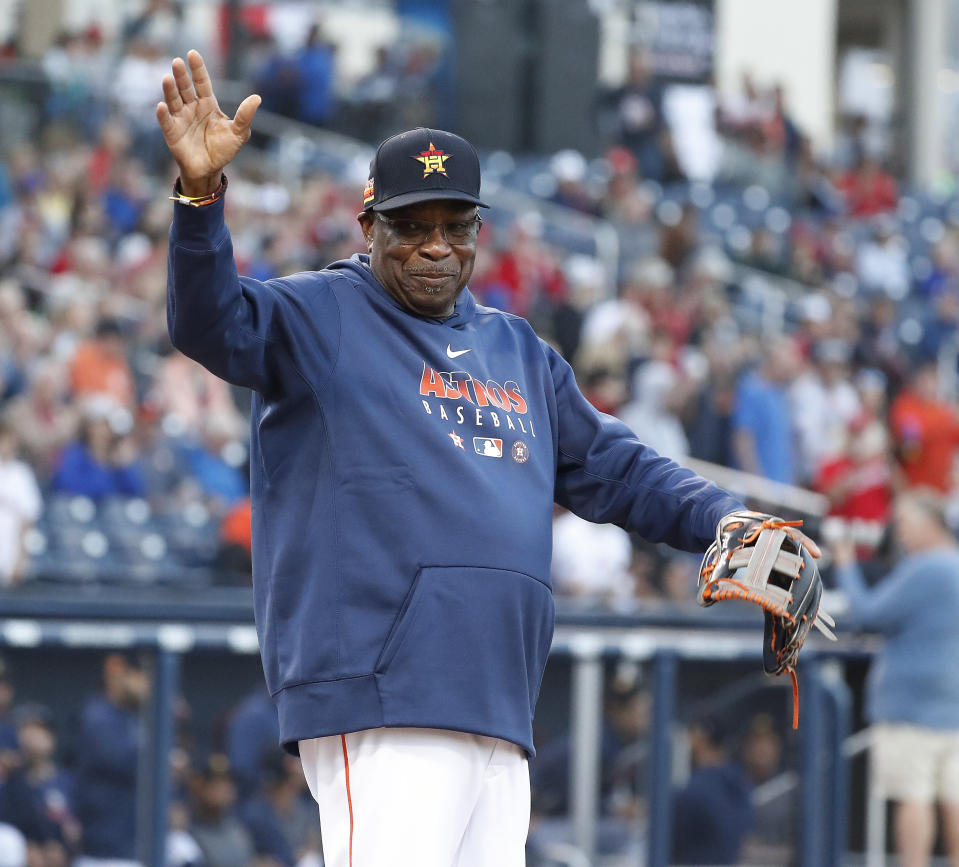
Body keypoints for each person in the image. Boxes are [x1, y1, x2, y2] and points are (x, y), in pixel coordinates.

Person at [156, 50, 819, 867]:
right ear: (368, 226)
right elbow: (209, 322)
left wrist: (725, 516)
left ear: (477, 232)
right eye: (411, 226)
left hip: (500, 704)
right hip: (382, 693)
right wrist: (199, 202)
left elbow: (617, 466)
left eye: (453, 226)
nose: (435, 246)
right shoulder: (324, 311)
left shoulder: (516, 348)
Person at [832, 490, 959, 867]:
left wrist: (844, 563)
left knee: (914, 796)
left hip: (913, 707)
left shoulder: (928, 566)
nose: (897, 533)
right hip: (952, 706)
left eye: (903, 523)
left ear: (928, 523)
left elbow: (867, 614)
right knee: (953, 797)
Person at [73, 652, 148, 864]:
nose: (146, 683)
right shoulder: (98, 716)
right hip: (102, 851)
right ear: (117, 673)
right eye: (139, 675)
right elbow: (122, 760)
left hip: (128, 844)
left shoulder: (132, 717)